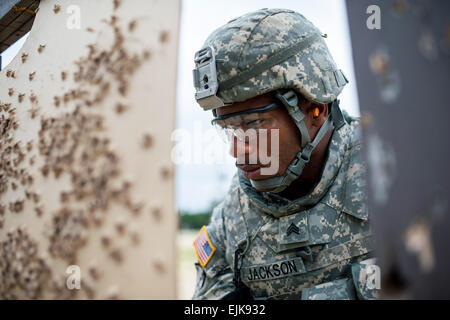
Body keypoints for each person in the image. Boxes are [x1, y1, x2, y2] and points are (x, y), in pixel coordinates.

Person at [191, 8, 378, 300]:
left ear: (315, 109)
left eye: (253, 124)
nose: (236, 151)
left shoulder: (391, 180)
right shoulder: (231, 220)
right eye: (228, 128)